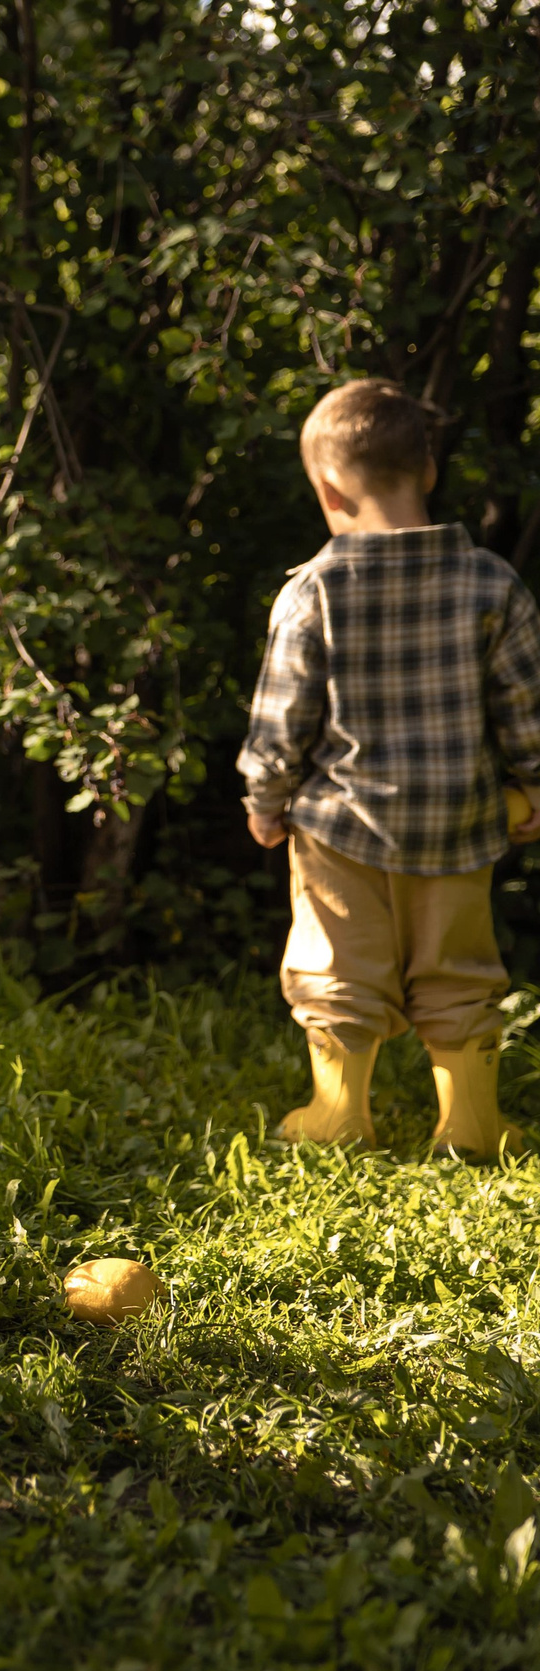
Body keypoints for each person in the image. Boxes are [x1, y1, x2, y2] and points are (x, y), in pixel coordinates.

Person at [239, 377, 540, 1162]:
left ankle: (340, 1117)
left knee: (336, 968)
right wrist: (534, 785)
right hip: (461, 820)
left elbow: (283, 716)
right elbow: (526, 705)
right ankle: (471, 1127)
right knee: (460, 968)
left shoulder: (315, 591)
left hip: (339, 829)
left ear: (328, 486)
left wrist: (266, 799)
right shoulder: (493, 583)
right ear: (429, 471)